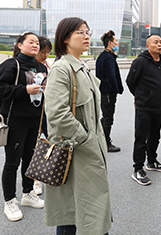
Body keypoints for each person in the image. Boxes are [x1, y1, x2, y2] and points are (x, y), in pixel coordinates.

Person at [43, 17, 111, 235]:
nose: (86, 36)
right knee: (71, 213)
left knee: (86, 210)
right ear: (65, 38)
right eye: (79, 32)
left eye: (87, 31)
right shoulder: (62, 69)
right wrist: (86, 139)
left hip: (87, 151)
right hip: (76, 151)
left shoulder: (82, 68)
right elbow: (57, 113)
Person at [0, 32, 47, 222]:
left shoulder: (41, 67)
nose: (35, 45)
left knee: (30, 159)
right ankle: (9, 201)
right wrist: (24, 90)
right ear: (19, 45)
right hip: (15, 121)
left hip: (34, 120)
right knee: (12, 162)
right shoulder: (11, 65)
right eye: (31, 42)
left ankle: (28, 193)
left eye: (37, 42)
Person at [126, 34, 161, 186]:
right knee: (141, 138)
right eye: (156, 42)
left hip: (159, 106)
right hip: (144, 106)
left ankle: (151, 161)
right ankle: (138, 169)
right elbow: (130, 81)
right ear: (148, 45)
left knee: (155, 136)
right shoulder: (140, 62)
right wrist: (140, 96)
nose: (159, 44)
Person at [95, 30, 124, 153]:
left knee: (106, 116)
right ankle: (105, 142)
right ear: (110, 43)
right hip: (108, 92)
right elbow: (112, 76)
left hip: (103, 91)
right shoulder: (108, 57)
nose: (118, 43)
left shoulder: (103, 56)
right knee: (108, 118)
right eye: (116, 41)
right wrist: (117, 89)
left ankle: (100, 139)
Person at [33, 35, 53, 195]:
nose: (45, 55)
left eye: (48, 52)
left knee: (48, 142)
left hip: (47, 110)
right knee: (34, 145)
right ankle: (35, 180)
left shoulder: (47, 66)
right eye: (43, 52)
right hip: (34, 110)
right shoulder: (30, 67)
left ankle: (43, 173)